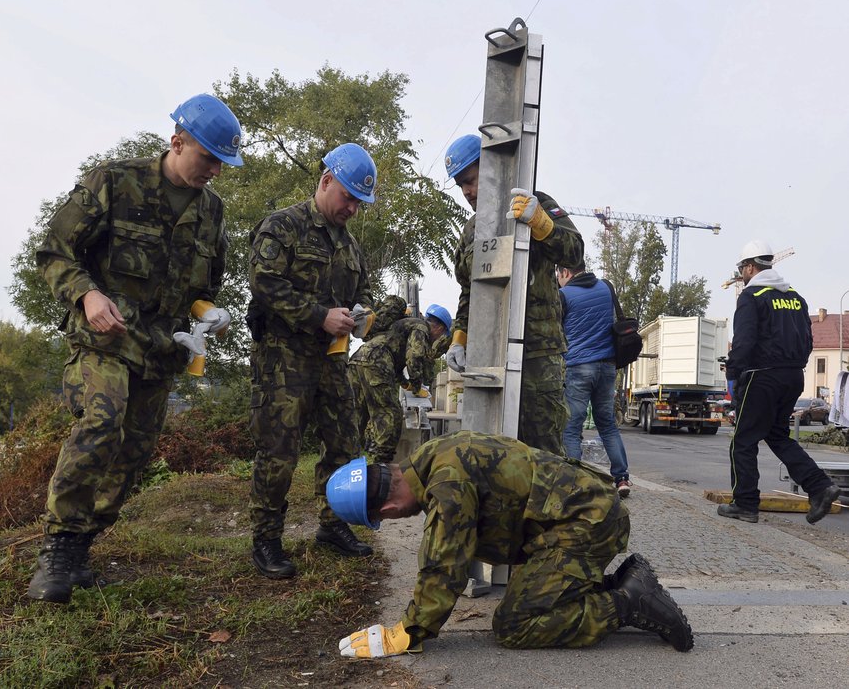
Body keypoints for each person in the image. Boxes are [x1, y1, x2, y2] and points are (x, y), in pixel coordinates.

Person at [28, 93, 243, 603]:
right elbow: (53, 250)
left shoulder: (212, 212)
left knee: (135, 453)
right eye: (208, 157)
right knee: (102, 422)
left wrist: (209, 317)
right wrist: (88, 294)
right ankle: (57, 549)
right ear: (177, 141)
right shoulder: (114, 181)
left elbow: (204, 290)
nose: (214, 170)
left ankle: (81, 549)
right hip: (105, 339)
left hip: (161, 351)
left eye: (221, 162)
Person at [327, 431, 694, 656]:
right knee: (527, 599)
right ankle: (614, 585)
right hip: (576, 515)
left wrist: (409, 631)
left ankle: (628, 602)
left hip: (586, 524)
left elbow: (444, 564)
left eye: (383, 519)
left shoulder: (445, 487)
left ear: (388, 509)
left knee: (514, 624)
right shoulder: (431, 455)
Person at [246, 142, 379, 579]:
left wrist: (359, 315)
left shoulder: (351, 246)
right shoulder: (283, 226)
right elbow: (264, 283)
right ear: (326, 181)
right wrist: (319, 315)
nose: (353, 210)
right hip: (283, 360)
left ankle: (333, 524)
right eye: (349, 199)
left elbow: (357, 295)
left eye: (360, 204)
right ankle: (267, 539)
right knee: (279, 451)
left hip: (332, 363)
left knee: (345, 443)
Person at [442, 135, 583, 455]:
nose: (467, 192)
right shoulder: (471, 230)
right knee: (491, 451)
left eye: (471, 181)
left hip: (538, 355)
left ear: (492, 168)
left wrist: (542, 225)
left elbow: (575, 254)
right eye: (461, 185)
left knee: (542, 450)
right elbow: (469, 289)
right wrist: (459, 337)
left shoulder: (537, 203)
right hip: (489, 355)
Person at [718, 240, 841, 524]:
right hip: (793, 375)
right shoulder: (796, 296)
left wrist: (733, 375)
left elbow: (744, 342)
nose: (742, 275)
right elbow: (808, 341)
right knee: (776, 436)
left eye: (742, 269)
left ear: (750, 267)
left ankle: (745, 504)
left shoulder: (751, 296)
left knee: (743, 440)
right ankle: (820, 487)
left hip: (762, 377)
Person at [557, 260, 632, 497]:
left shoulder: (563, 295)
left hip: (578, 366)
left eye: (559, 274)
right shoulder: (606, 287)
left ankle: (573, 482)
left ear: (565, 272)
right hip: (608, 367)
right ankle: (621, 479)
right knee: (608, 425)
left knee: (571, 427)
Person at [349, 301, 452, 464]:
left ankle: (346, 459)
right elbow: (414, 357)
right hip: (377, 361)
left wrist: (405, 384)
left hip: (358, 359)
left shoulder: (405, 324)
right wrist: (417, 387)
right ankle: (381, 464)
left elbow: (396, 358)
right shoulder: (421, 328)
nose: (438, 338)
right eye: (441, 335)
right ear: (439, 328)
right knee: (390, 413)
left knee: (356, 414)